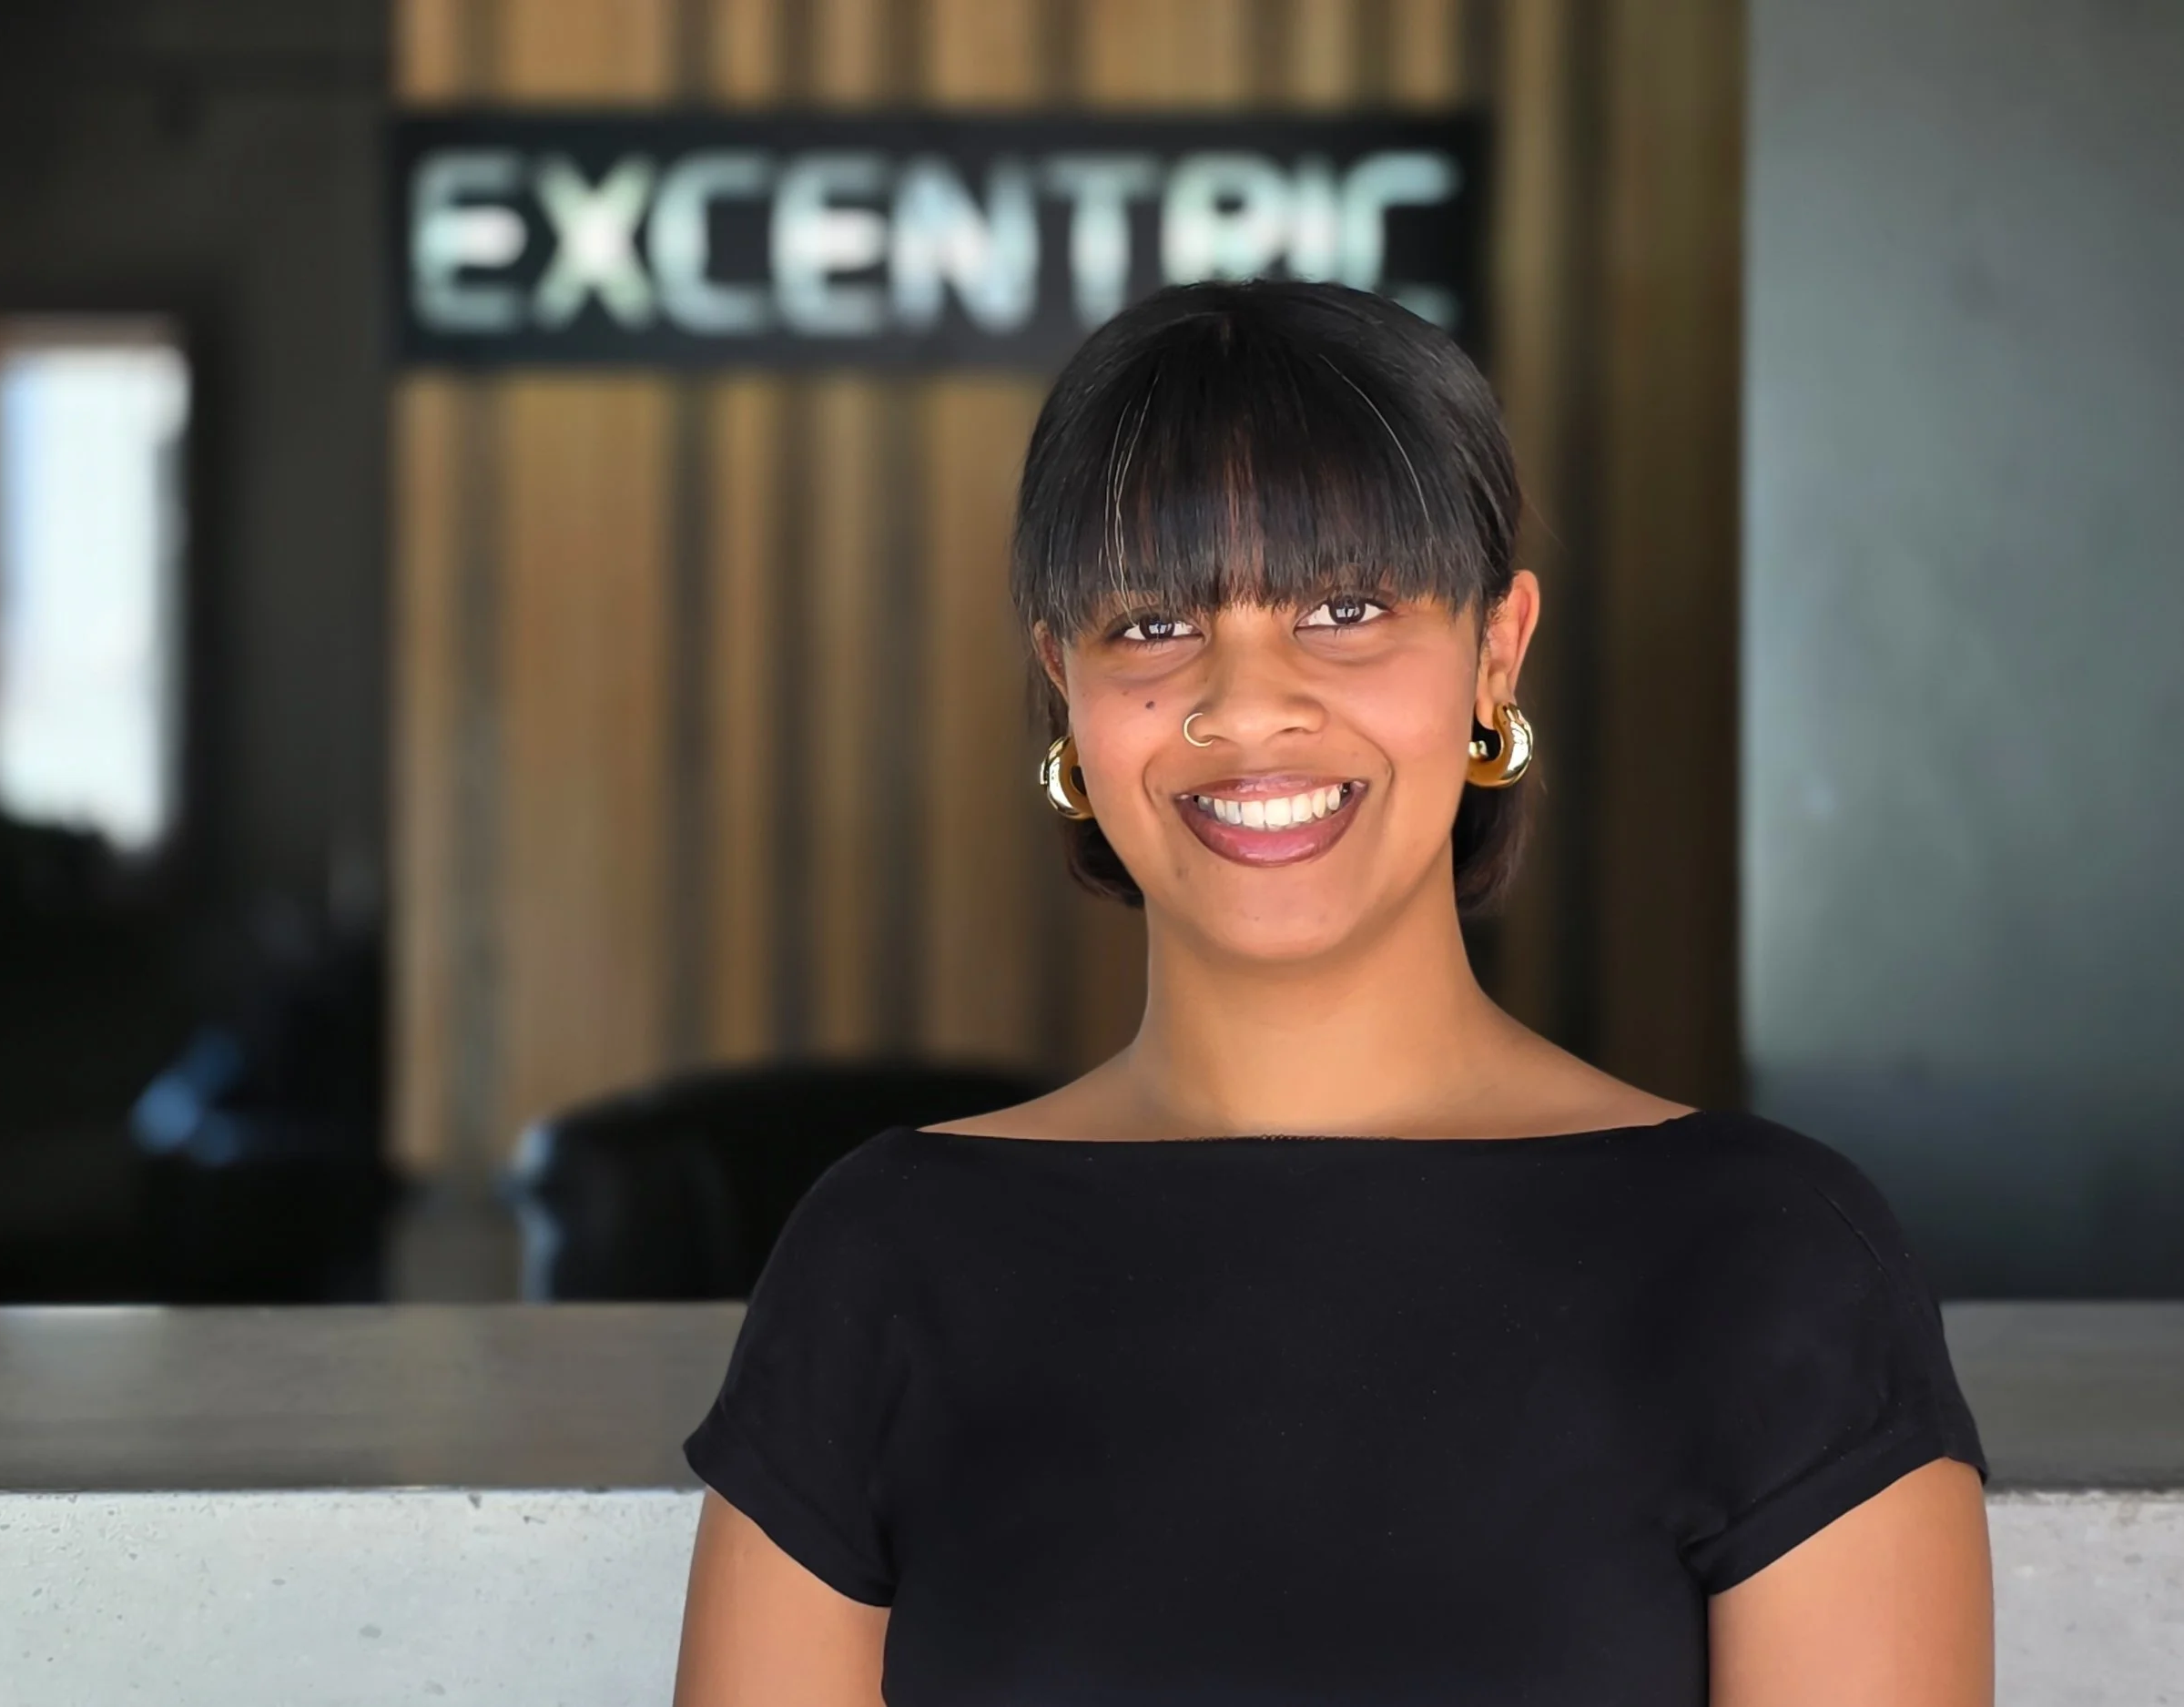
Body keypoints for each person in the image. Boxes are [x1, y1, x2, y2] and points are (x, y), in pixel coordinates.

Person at [672, 280, 1993, 1706]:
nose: (1248, 706)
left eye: (1345, 606)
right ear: (1061, 679)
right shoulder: (885, 1257)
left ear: (1497, 647)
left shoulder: (1772, 1257)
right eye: (1152, 623)